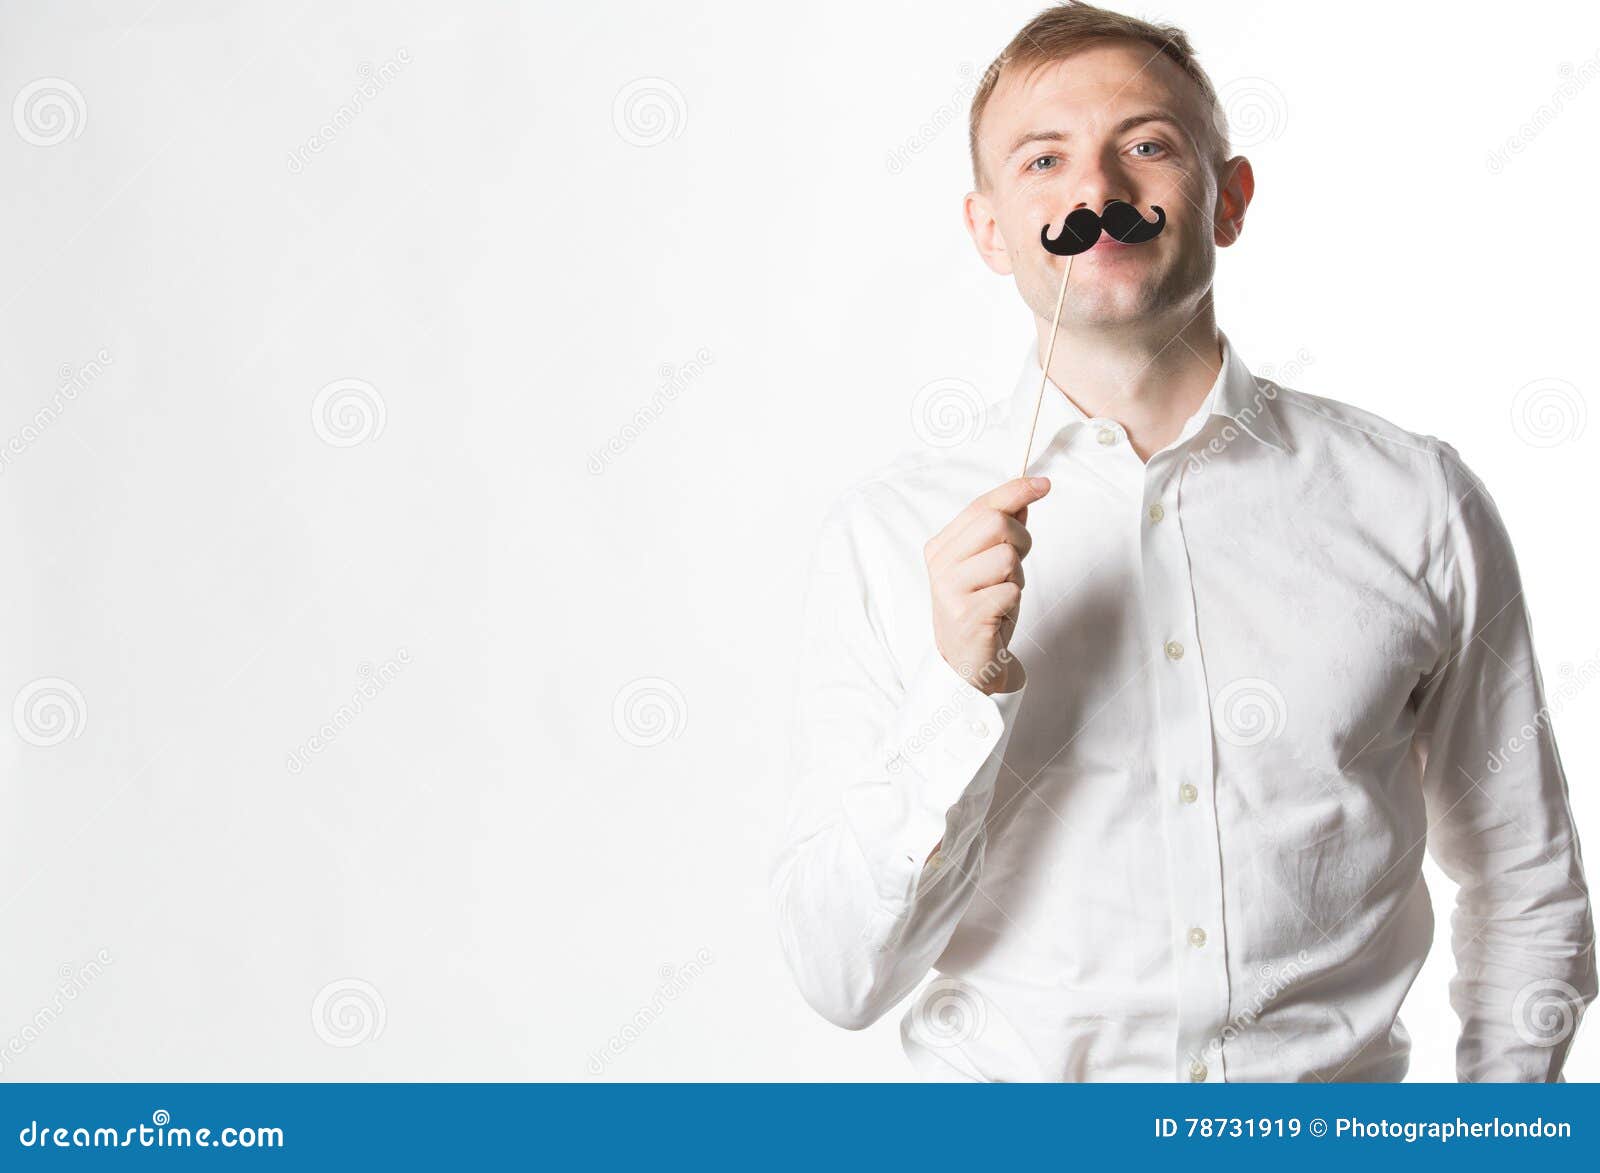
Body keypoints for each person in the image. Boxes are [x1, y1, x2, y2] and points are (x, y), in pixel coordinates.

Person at [769, 1, 1595, 1082]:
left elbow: (1521, 881)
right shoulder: (885, 540)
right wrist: (956, 690)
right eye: (1044, 160)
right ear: (988, 230)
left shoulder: (1414, 499)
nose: (1097, 196)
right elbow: (840, 977)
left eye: (1145, 146)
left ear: (1230, 199)